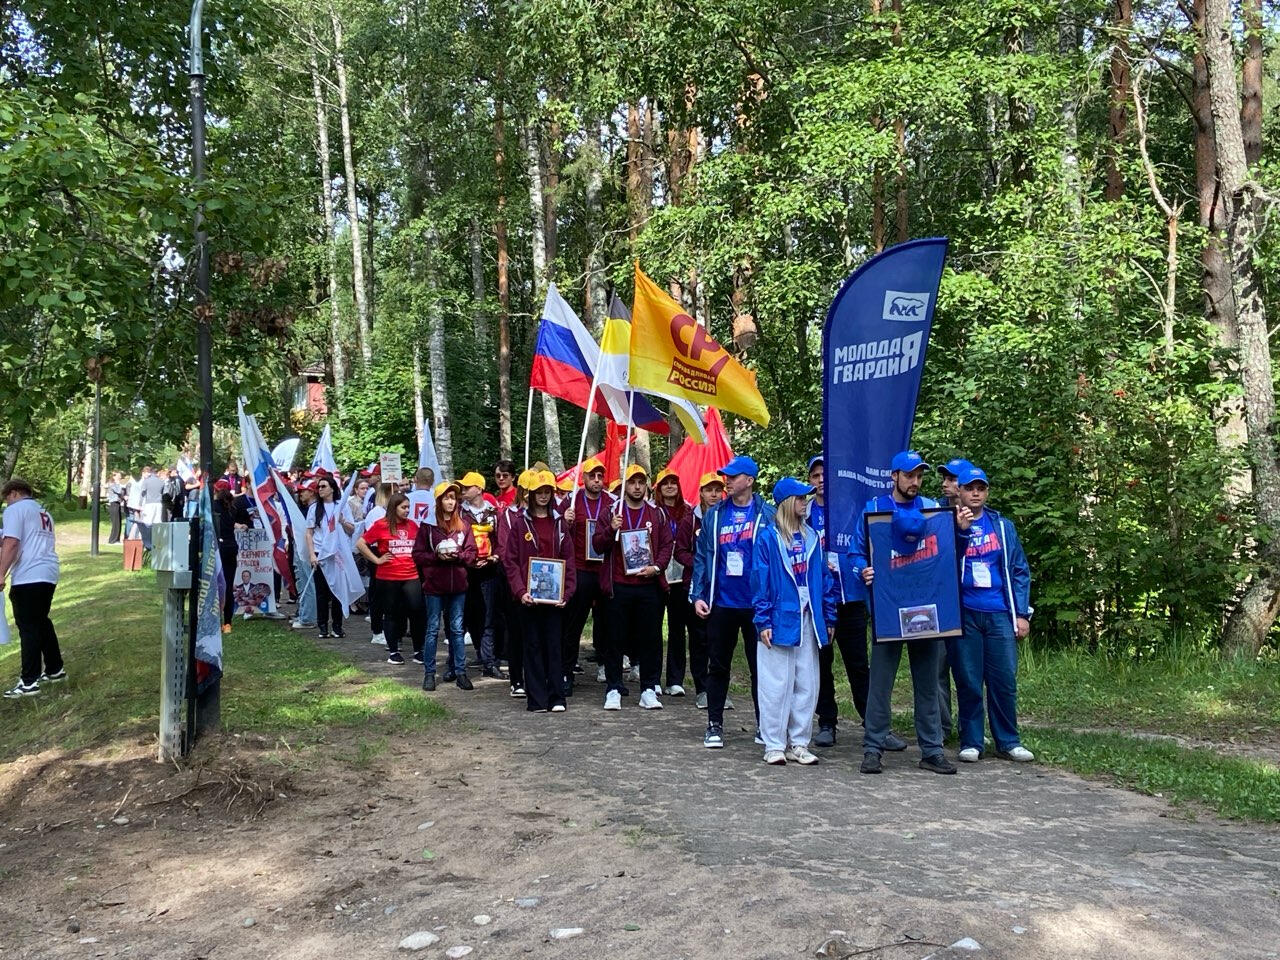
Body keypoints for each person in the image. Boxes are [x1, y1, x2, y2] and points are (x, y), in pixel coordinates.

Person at [852, 451, 972, 776]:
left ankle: (931, 750)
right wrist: (862, 569)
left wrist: (961, 531)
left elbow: (948, 556)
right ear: (894, 476)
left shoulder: (931, 509)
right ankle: (873, 748)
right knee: (880, 684)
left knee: (928, 682)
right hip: (889, 612)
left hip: (925, 609)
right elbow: (855, 552)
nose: (914, 481)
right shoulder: (875, 510)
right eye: (908, 475)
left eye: (919, 475)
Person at [809, 455, 908, 753]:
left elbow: (866, 546)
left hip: (851, 598)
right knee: (821, 663)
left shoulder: (852, 508)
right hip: (820, 600)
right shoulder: (805, 511)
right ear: (810, 481)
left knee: (859, 665)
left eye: (825, 474)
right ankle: (827, 722)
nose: (821, 480)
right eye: (815, 475)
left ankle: (874, 725)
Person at [948, 464, 1035, 763]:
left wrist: (1021, 613)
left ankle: (1008, 741)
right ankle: (972, 740)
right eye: (969, 488)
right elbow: (943, 563)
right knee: (968, 679)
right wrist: (960, 532)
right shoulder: (948, 523)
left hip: (999, 612)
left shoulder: (1002, 526)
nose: (975, 493)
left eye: (981, 488)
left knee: (1003, 680)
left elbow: (1019, 570)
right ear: (959, 491)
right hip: (965, 612)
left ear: (987, 492)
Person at [691, 455, 775, 748]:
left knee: (761, 669)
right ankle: (714, 724)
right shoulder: (715, 515)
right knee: (718, 666)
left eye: (733, 476)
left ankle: (765, 726)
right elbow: (702, 557)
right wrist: (698, 595)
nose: (726, 481)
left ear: (749, 481)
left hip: (757, 605)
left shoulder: (768, 514)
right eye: (725, 475)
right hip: (722, 603)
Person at [752, 477, 837, 765]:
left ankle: (799, 743)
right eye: (801, 498)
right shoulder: (768, 538)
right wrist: (763, 620)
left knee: (807, 682)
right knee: (775, 684)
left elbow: (825, 579)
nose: (805, 502)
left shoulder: (812, 537)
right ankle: (774, 744)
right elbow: (760, 580)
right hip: (778, 619)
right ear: (787, 503)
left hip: (808, 618)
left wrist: (829, 615)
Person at [594, 464, 674, 711]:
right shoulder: (611, 512)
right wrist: (611, 529)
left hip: (648, 585)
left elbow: (667, 545)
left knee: (650, 639)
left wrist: (657, 568)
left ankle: (649, 688)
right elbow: (597, 545)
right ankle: (613, 688)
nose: (637, 487)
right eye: (632, 482)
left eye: (641, 482)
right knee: (615, 639)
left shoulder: (657, 514)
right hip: (618, 585)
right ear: (624, 485)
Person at [501, 470, 574, 712]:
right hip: (529, 598)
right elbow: (511, 561)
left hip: (554, 599)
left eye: (547, 492)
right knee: (532, 646)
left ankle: (556, 698)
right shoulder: (520, 524)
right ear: (530, 495)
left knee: (554, 646)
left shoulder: (560, 523)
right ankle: (537, 699)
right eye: (538, 492)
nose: (543, 496)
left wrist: (567, 593)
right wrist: (520, 591)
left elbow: (569, 559)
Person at [0, 480, 63, 698]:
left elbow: (12, 543)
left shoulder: (15, 509)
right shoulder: (42, 511)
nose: (6, 503)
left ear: (14, 493)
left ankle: (29, 681)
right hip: (48, 571)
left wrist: (0, 573)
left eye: (6, 499)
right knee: (41, 622)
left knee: (28, 627)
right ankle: (55, 668)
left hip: (29, 574)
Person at [412, 481, 478, 690]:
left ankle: (460, 672)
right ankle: (429, 673)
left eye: (454, 498)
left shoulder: (464, 525)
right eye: (447, 498)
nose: (451, 502)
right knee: (432, 629)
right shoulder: (428, 526)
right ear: (439, 501)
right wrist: (436, 556)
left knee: (457, 630)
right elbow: (417, 555)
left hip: (458, 585)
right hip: (434, 586)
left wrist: (458, 556)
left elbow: (472, 553)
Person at [562, 456, 614, 691]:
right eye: (592, 476)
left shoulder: (612, 502)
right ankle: (566, 672)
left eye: (600, 476)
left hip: (605, 569)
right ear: (583, 478)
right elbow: (557, 531)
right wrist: (565, 520)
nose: (597, 480)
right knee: (573, 623)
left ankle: (609, 670)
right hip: (580, 569)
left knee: (608, 623)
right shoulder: (571, 500)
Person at [356, 492, 423, 665]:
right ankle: (393, 652)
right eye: (403, 507)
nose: (407, 510)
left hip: (411, 575)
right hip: (388, 577)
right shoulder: (381, 525)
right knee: (392, 613)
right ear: (394, 508)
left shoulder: (412, 525)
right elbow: (361, 543)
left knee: (416, 611)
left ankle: (418, 651)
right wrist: (377, 560)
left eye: (408, 507)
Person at [674, 472, 720, 708]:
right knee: (699, 638)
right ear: (701, 492)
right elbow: (679, 551)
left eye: (717, 490)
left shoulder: (726, 517)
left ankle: (718, 688)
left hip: (721, 588)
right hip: (695, 586)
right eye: (709, 490)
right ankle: (702, 689)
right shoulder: (689, 520)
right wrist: (701, 564)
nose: (713, 494)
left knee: (718, 640)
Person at [934, 456, 972, 741]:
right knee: (936, 668)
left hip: (969, 604)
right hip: (939, 603)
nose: (945, 484)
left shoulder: (983, 518)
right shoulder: (933, 512)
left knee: (968, 670)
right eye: (944, 479)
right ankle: (941, 728)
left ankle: (971, 729)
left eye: (952, 479)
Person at [459, 471, 505, 679]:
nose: (463, 490)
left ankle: (489, 661)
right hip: (465, 571)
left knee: (488, 616)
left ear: (479, 489)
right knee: (467, 616)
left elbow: (502, 541)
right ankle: (469, 657)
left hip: (489, 571)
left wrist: (495, 557)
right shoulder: (459, 513)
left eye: (467, 487)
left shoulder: (494, 513)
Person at [653, 468, 692, 697]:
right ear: (658, 488)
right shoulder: (652, 510)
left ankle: (675, 679)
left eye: (673, 483)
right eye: (665, 483)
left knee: (678, 628)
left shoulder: (688, 511)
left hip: (681, 575)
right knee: (653, 628)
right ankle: (653, 677)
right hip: (657, 574)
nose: (670, 486)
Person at [305, 473, 356, 639]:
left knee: (338, 591)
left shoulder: (342, 506)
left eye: (323, 486)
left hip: (337, 553)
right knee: (322, 592)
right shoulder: (314, 508)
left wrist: (342, 520)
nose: (320, 489)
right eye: (318, 487)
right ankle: (322, 626)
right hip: (320, 553)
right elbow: (309, 533)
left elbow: (351, 529)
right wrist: (312, 554)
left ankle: (337, 626)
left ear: (332, 489)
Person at [213, 479, 251, 632]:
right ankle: (227, 623)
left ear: (215, 491)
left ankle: (215, 620)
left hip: (218, 548)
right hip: (231, 547)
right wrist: (239, 525)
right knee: (228, 585)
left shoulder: (212, 507)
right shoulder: (232, 507)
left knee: (214, 585)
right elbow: (230, 522)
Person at [106, 471, 126, 544]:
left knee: (118, 522)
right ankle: (112, 540)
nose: (120, 477)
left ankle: (117, 539)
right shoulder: (112, 484)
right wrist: (118, 483)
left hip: (118, 504)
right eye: (118, 476)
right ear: (114, 476)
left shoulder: (116, 484)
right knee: (115, 523)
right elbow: (119, 491)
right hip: (113, 504)